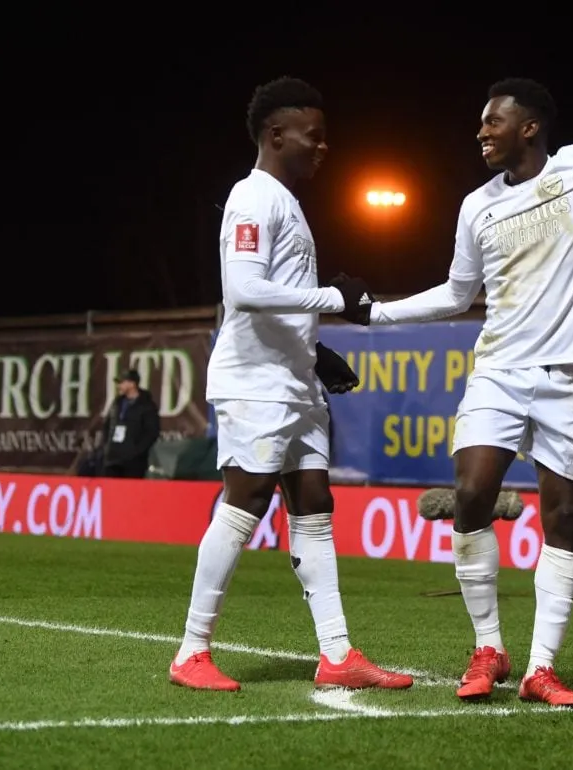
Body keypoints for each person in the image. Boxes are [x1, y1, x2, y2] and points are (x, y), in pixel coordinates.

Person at [353, 79, 573, 707]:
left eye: (493, 122)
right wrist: (377, 315)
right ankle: (489, 648)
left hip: (567, 380)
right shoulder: (476, 206)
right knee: (473, 490)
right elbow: (456, 294)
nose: (481, 132)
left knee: (562, 517)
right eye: (482, 123)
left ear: (528, 127)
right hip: (499, 371)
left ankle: (541, 668)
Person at [168, 76, 412, 693]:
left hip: (292, 381)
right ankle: (191, 651)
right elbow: (245, 291)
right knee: (245, 503)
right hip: (256, 383)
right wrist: (334, 299)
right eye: (314, 136)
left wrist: (316, 349)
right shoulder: (253, 198)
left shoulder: (285, 200)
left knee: (314, 506)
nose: (322, 146)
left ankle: (336, 654)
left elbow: (273, 296)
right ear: (276, 135)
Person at [101, 369, 161, 479]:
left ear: (132, 384)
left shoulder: (146, 405)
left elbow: (152, 432)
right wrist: (107, 446)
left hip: (133, 462)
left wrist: (136, 451)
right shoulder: (117, 403)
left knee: (130, 492)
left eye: (122, 382)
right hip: (113, 458)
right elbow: (107, 425)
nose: (119, 386)